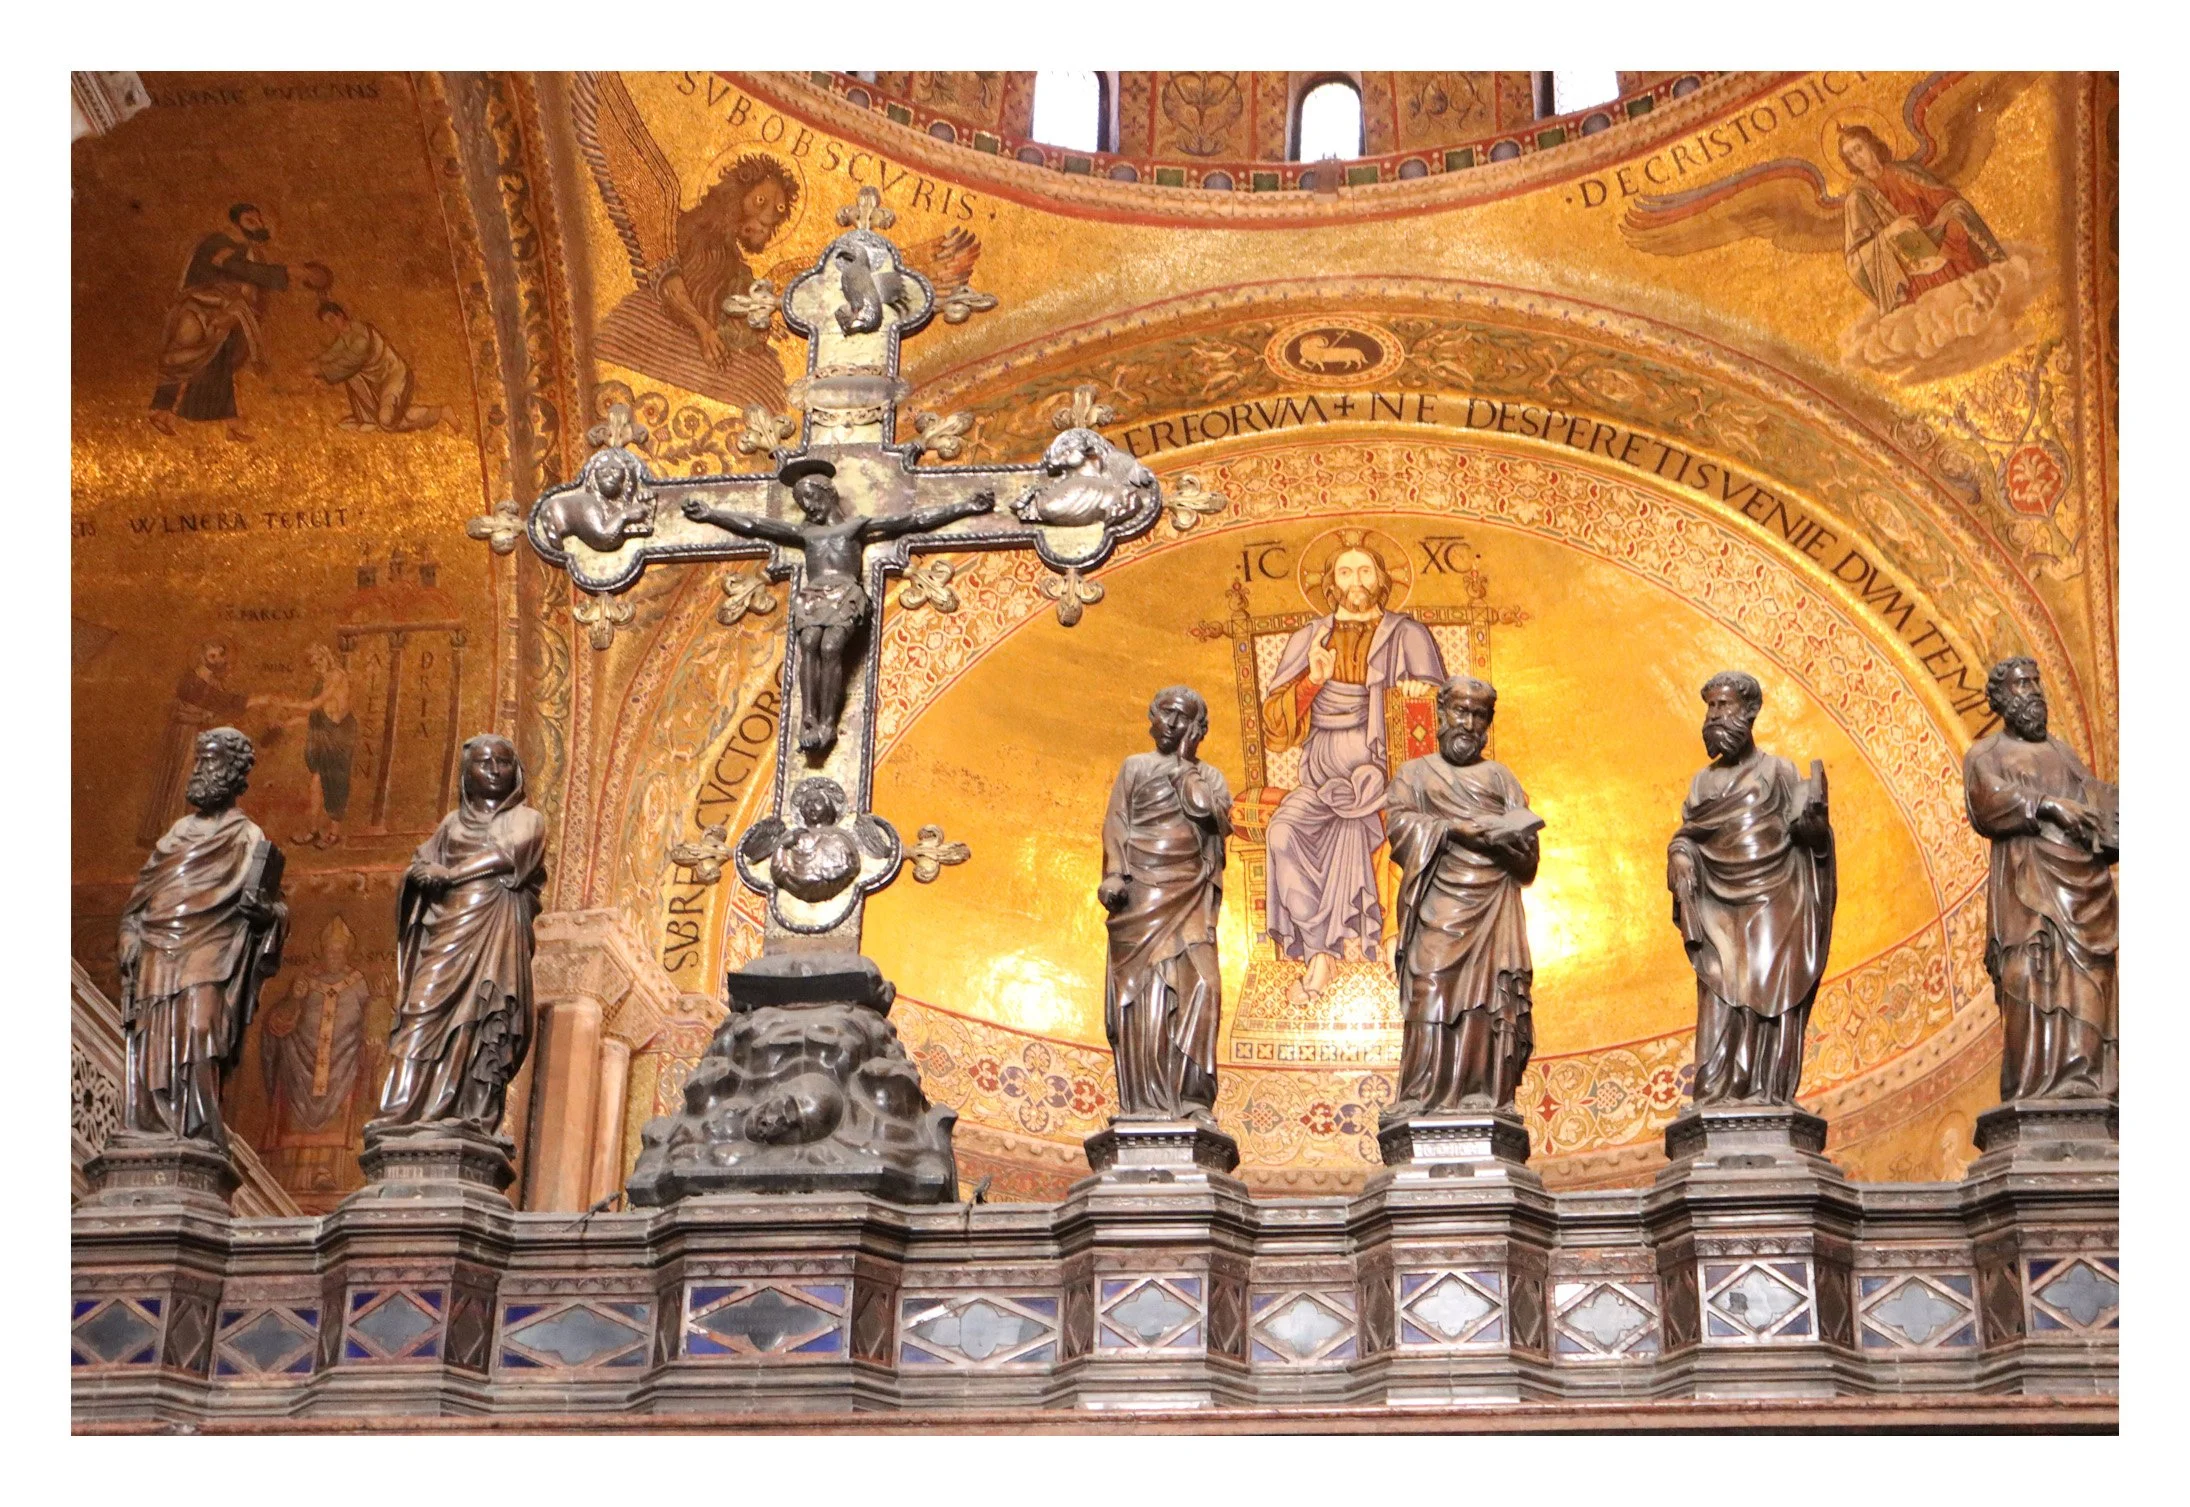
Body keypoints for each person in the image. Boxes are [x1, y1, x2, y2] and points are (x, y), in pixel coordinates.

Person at [682, 461, 994, 753]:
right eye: (803, 504)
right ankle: (809, 718)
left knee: (830, 646)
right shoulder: (806, 533)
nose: (809, 508)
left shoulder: (856, 527)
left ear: (827, 493)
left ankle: (828, 723)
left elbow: (914, 520)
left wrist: (963, 506)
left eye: (811, 499)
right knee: (808, 643)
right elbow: (754, 525)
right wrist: (711, 513)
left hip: (845, 590)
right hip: (814, 593)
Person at [1260, 543, 1445, 1001]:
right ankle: (1319, 951)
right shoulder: (1309, 638)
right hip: (1320, 778)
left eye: (1365, 570)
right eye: (1345, 572)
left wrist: (1421, 695)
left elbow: (1448, 716)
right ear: (1331, 583)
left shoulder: (1409, 635)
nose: (1355, 581)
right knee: (1282, 831)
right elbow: (1275, 725)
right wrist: (1313, 681)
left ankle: (1393, 945)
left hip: (1387, 775)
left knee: (1389, 828)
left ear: (1382, 579)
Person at [1666, 671, 1837, 1107]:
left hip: (1775, 902)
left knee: (1771, 994)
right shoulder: (1702, 783)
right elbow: (1689, 834)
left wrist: (1815, 828)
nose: (1715, 716)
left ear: (1750, 711)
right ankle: (1720, 1090)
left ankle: (1768, 1092)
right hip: (1718, 906)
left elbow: (1805, 832)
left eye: (1724, 706)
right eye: (1711, 707)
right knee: (1722, 995)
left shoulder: (1778, 770)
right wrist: (1680, 857)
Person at [117, 728, 287, 1144]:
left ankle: (196, 1131)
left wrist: (265, 915)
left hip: (212, 946)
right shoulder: (174, 836)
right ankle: (152, 1127)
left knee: (200, 1028)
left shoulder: (247, 836)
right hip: (158, 948)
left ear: (233, 772)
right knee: (154, 1039)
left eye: (210, 761)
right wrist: (129, 933)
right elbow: (140, 900)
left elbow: (275, 906)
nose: (200, 770)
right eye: (198, 760)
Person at [1382, 677, 1541, 1118]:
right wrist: (1454, 829)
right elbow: (1398, 829)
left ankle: (1483, 1095)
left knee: (1487, 1001)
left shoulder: (1500, 776)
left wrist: (1512, 841)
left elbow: (1528, 864)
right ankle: (1419, 1097)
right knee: (1428, 987)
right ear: (1440, 714)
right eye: (1460, 712)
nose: (1468, 724)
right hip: (1437, 902)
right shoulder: (1414, 774)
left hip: (1492, 907)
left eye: (1479, 716)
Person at [1963, 658, 2118, 1101]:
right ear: (2000, 700)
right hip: (2026, 886)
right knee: (2028, 975)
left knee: (2091, 981)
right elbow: (1987, 803)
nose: (2033, 691)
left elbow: (2094, 800)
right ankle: (2036, 1089)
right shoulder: (1985, 754)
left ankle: (2090, 1082)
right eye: (2020, 685)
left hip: (2082, 891)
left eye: (2035, 682)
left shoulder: (2062, 751)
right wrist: (2047, 805)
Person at [375, 735, 546, 1133]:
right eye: (483, 762)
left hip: (495, 933)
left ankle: (468, 1112)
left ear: (516, 771)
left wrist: (450, 874)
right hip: (448, 929)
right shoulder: (451, 823)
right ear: (465, 773)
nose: (494, 770)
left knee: (482, 1017)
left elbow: (509, 854)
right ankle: (401, 1112)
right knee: (422, 1008)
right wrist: (420, 875)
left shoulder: (526, 818)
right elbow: (423, 861)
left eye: (503, 762)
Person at [1097, 687, 1233, 1123]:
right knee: (1146, 995)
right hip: (1142, 893)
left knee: (1203, 985)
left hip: (1190, 891)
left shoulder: (1208, 776)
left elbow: (1210, 814)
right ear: (1152, 718)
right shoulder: (1134, 767)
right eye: (1165, 715)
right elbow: (1117, 821)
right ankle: (1145, 1102)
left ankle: (1192, 1098)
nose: (1171, 725)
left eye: (1182, 719)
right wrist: (1114, 873)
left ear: (1197, 730)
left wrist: (1184, 766)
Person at [148, 203, 292, 443]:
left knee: (219, 366)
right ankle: (159, 410)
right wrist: (287, 273)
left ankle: (231, 426)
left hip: (225, 315)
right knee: (183, 358)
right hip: (198, 309)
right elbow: (239, 269)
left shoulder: (249, 250)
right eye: (250, 221)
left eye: (259, 221)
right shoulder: (218, 243)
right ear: (236, 223)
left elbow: (251, 285)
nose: (258, 225)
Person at [1838, 124, 2008, 317]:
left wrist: (1941, 221)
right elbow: (1855, 260)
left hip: (1936, 237)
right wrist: (1889, 232)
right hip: (1904, 254)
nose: (1857, 158)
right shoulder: (1857, 198)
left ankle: (1967, 277)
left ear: (1870, 144)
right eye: (1850, 155)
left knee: (1959, 212)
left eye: (1858, 148)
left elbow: (1944, 199)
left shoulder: (1905, 171)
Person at [138, 640, 249, 846]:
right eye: (212, 656)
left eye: (219, 656)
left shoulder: (214, 682)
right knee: (182, 782)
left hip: (203, 738)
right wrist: (202, 717)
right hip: (184, 738)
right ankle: (174, 833)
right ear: (202, 657)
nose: (216, 661)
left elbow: (221, 706)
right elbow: (177, 712)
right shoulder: (191, 681)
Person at [249, 643, 357, 848]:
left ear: (327, 656)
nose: (317, 666)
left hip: (339, 734)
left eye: (319, 660)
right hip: (325, 732)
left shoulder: (336, 676)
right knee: (315, 783)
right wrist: (287, 723)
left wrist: (281, 702)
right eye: (313, 663)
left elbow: (314, 705)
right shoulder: (322, 680)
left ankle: (334, 833)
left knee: (335, 781)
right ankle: (313, 830)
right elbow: (316, 717)